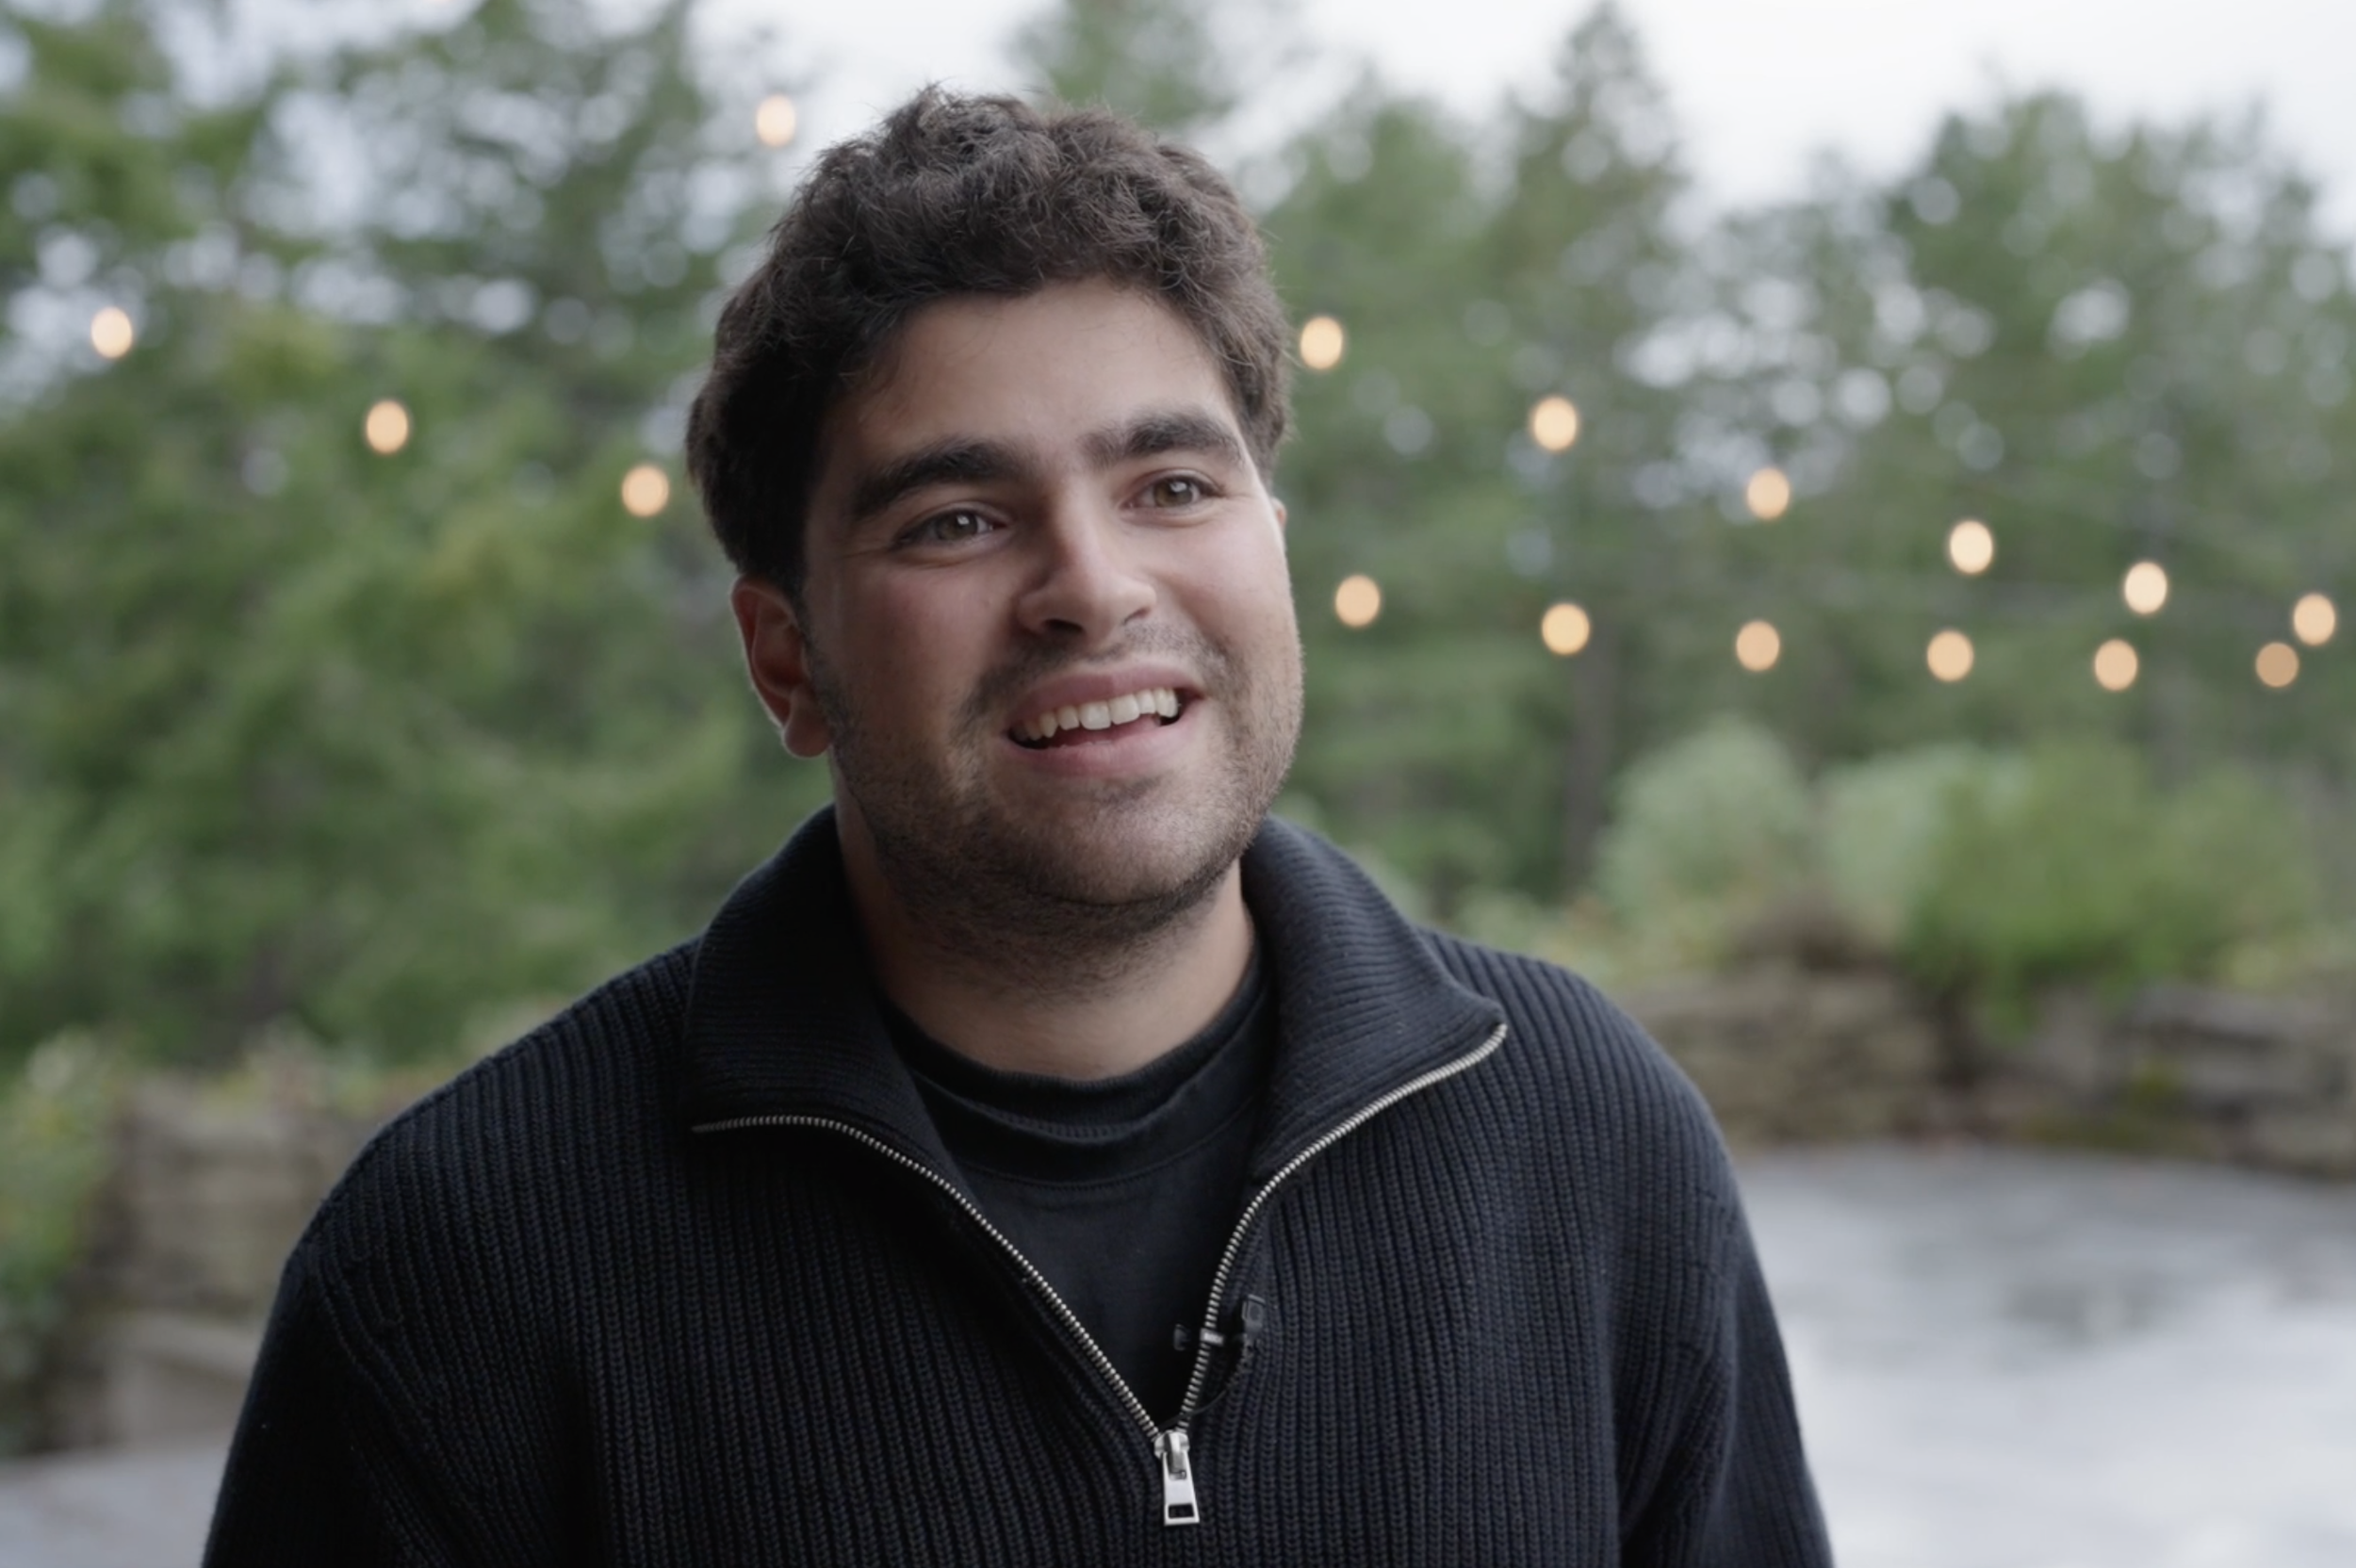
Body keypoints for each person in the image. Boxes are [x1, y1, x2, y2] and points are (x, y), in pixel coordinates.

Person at [205, 88, 1831, 1565]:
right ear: (790, 661)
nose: (1094, 588)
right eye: (959, 519)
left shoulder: (1589, 1144)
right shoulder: (463, 1270)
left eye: (1172, 487)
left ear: (1273, 542)